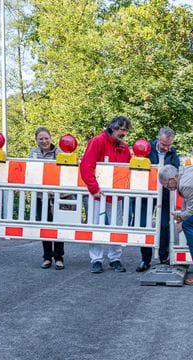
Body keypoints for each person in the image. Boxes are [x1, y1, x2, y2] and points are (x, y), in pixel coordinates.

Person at [80, 116, 132, 274]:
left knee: (116, 226)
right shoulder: (97, 141)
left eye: (126, 130)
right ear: (113, 127)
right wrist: (93, 187)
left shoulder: (123, 147)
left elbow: (128, 169)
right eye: (122, 129)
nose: (124, 133)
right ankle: (96, 259)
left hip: (117, 195)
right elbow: (86, 165)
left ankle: (115, 258)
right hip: (98, 194)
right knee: (95, 225)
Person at [136, 127, 180, 272]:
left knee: (164, 226)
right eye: (163, 145)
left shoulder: (173, 154)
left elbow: (176, 171)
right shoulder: (146, 149)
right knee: (145, 225)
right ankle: (145, 259)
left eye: (169, 145)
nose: (166, 148)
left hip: (166, 194)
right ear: (157, 139)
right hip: (147, 194)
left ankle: (163, 257)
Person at [29, 127, 65, 270]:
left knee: (58, 226)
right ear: (36, 140)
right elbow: (30, 171)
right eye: (41, 139)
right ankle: (47, 257)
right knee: (45, 226)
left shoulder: (59, 152)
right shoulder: (33, 153)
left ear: (51, 138)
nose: (44, 141)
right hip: (40, 196)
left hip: (57, 196)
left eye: (46, 138)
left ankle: (59, 257)